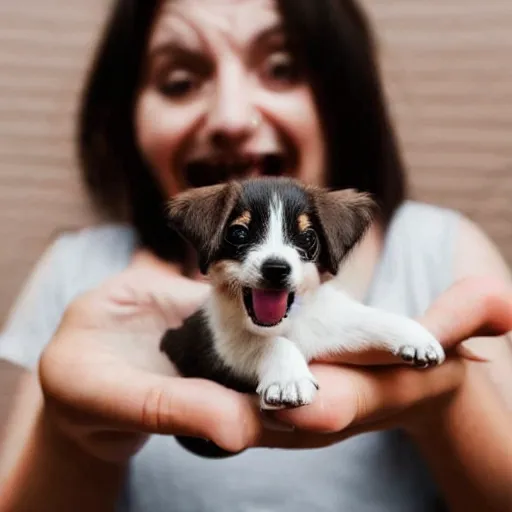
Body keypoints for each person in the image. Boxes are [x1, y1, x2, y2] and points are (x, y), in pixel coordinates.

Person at [0, 0, 511, 510]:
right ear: (125, 111)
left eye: (282, 69)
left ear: (343, 96)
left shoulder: (436, 254)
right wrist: (73, 435)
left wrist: (447, 400)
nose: (230, 117)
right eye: (179, 81)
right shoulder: (77, 275)